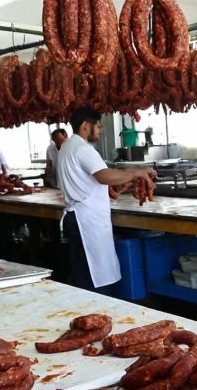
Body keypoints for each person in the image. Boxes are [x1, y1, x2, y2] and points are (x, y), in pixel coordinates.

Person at [58, 107, 154, 293]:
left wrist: (130, 180)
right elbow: (104, 176)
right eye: (98, 127)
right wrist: (137, 172)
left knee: (85, 274)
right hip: (86, 221)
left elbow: (93, 181)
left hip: (78, 217)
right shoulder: (83, 149)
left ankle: (92, 314)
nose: (100, 131)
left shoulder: (67, 147)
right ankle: (96, 316)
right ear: (86, 126)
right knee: (93, 278)